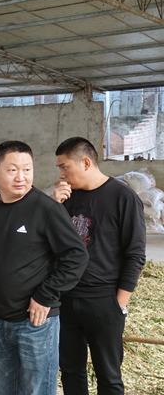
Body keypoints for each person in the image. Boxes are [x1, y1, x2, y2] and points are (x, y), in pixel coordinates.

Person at [0, 140, 89, 395]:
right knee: (4, 389)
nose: (21, 177)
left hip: (36, 322)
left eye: (27, 169)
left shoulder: (45, 208)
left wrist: (45, 295)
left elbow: (76, 256)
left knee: (36, 390)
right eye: (13, 169)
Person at [53, 137, 146, 395]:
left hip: (104, 300)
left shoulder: (123, 197)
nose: (61, 174)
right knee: (71, 371)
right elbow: (49, 246)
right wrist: (53, 207)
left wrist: (119, 303)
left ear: (85, 162)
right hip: (66, 299)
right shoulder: (64, 199)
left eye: (64, 167)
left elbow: (135, 254)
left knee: (108, 374)